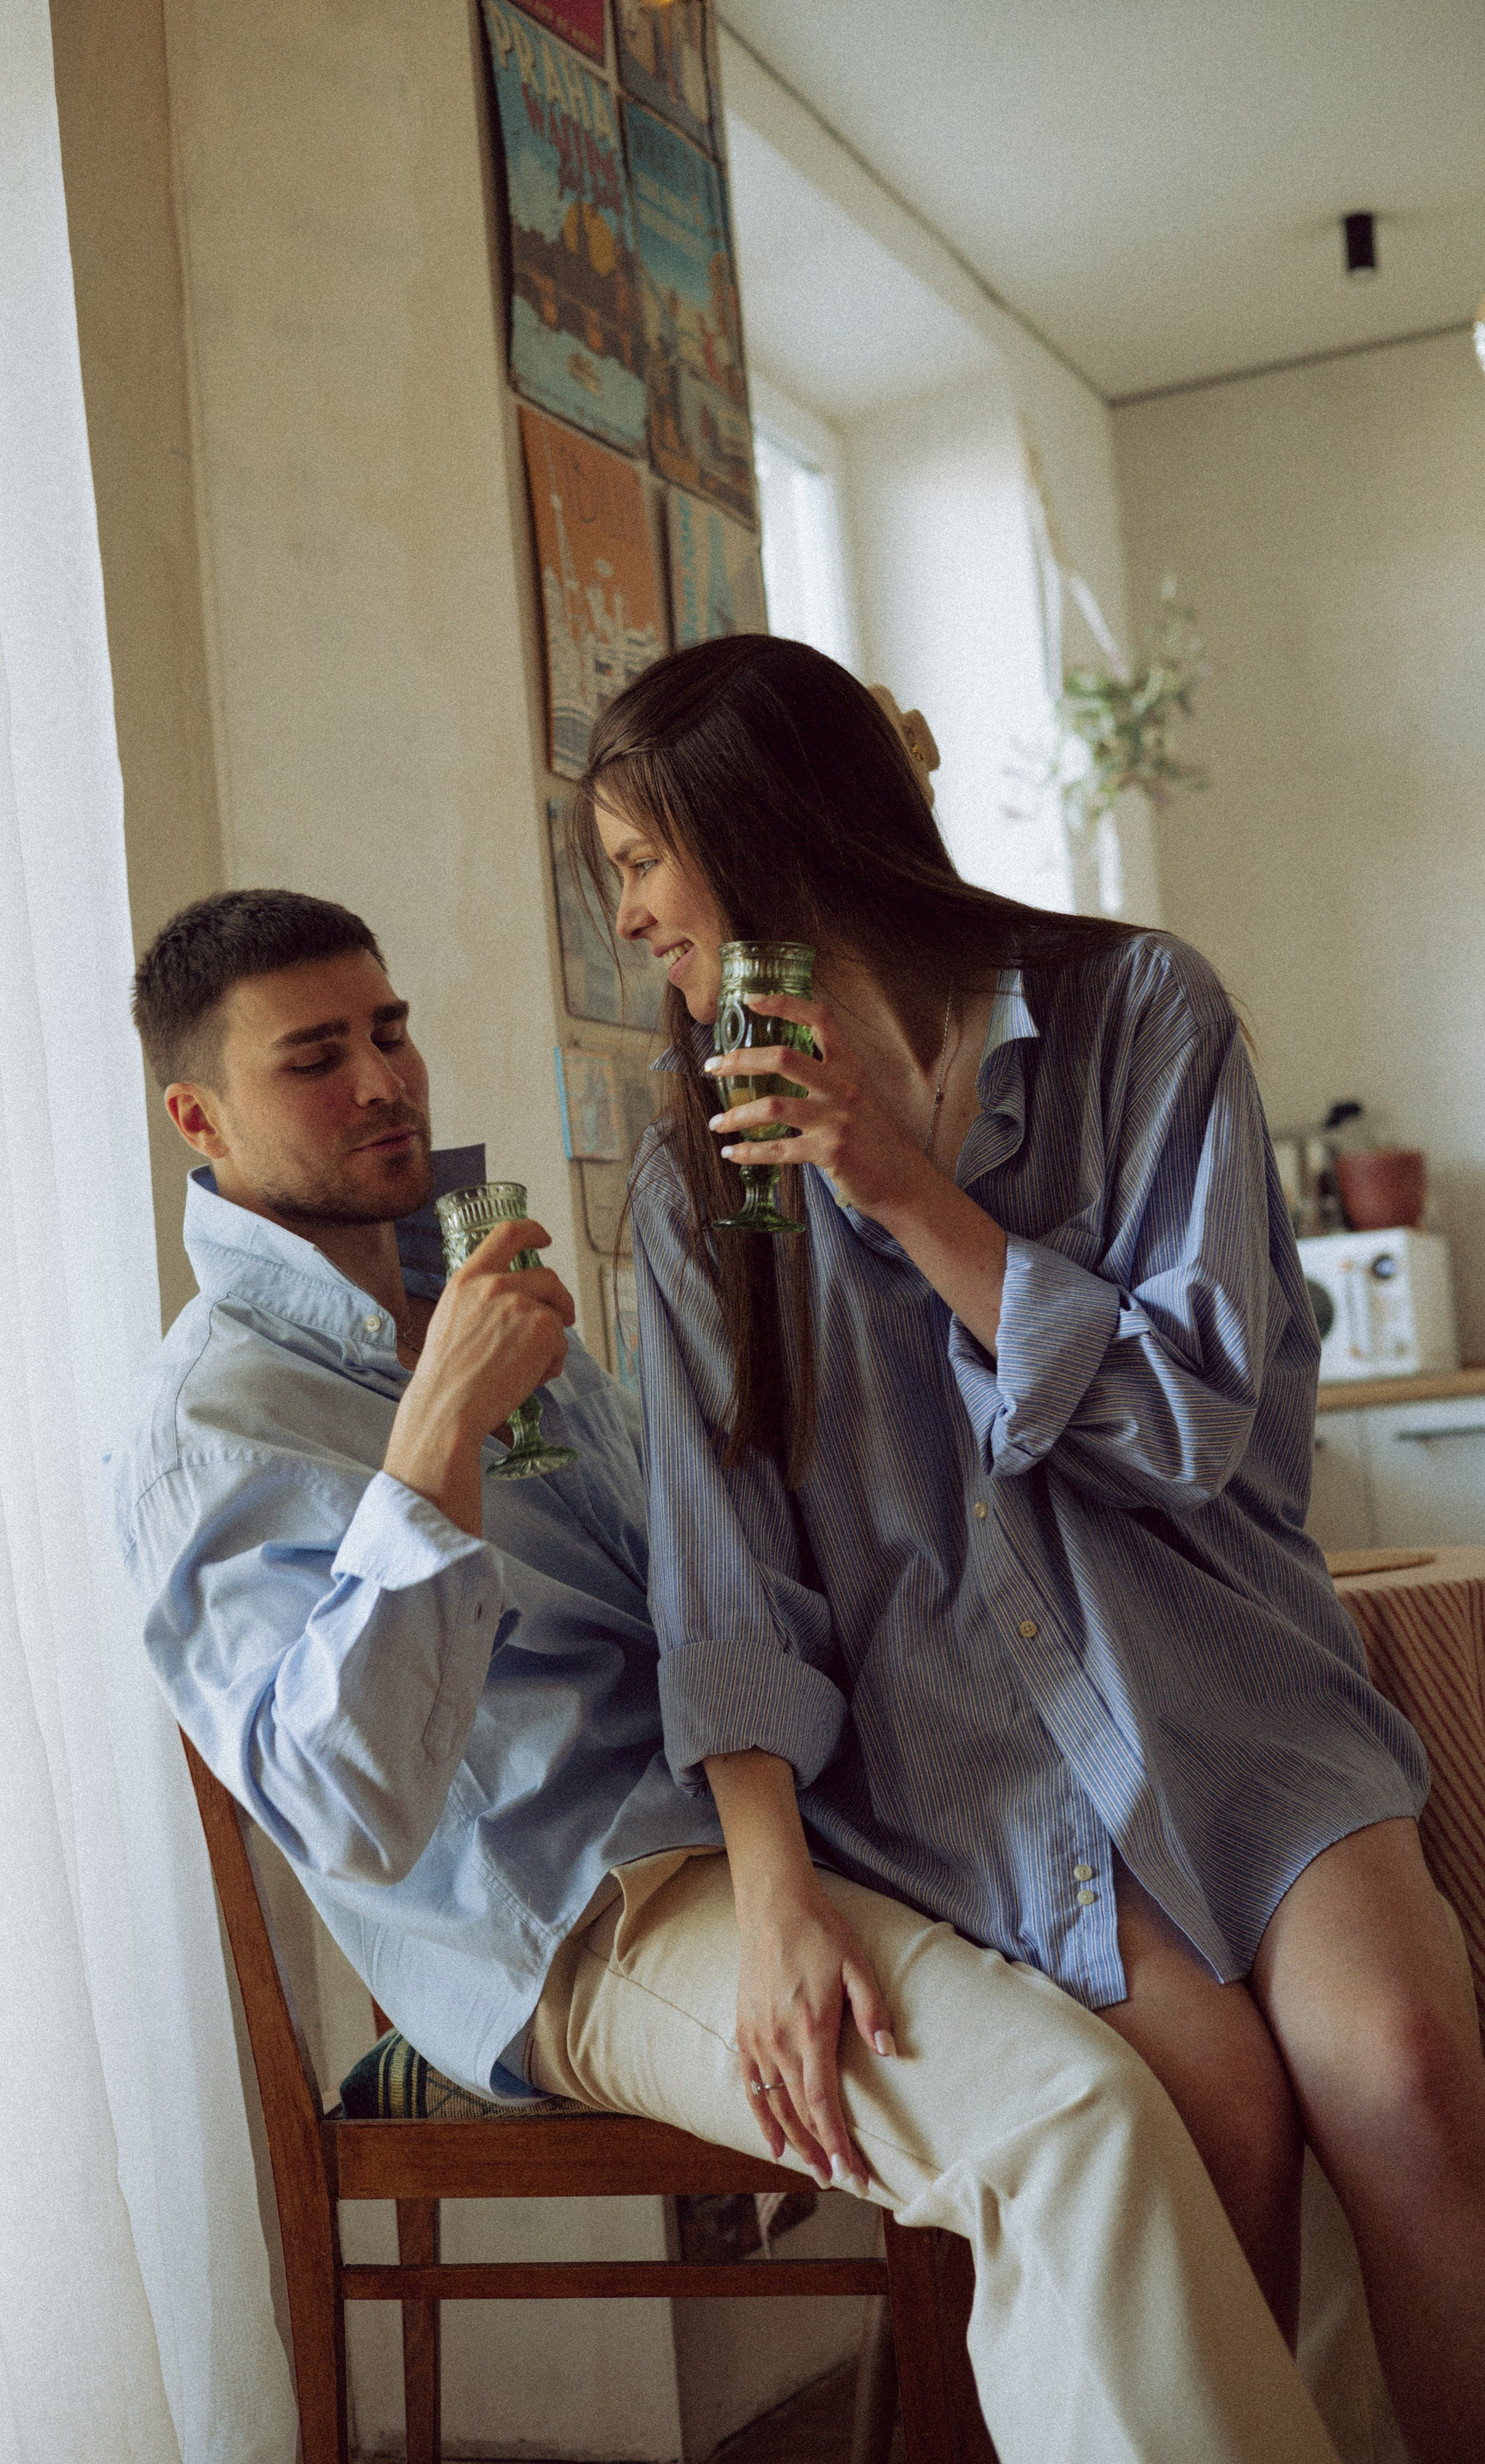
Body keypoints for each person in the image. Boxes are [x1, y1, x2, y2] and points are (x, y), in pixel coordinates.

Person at [109, 886, 1347, 2464]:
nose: (382, 1082)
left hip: (778, 1816)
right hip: (583, 1903)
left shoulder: (474, 1282)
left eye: (390, 1031)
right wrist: (434, 1443)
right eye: (314, 1059)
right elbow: (345, 1811)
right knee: (1072, 2119)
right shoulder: (205, 1424)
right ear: (198, 1118)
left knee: (1241, 2049)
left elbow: (696, 1584)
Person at [577, 634, 1485, 2464]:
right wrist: (774, 1895)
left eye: (639, 861)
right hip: (966, 1763)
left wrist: (905, 1193)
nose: (629, 919)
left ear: (764, 829)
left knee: (1405, 2076)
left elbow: (1198, 1420)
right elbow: (721, 1573)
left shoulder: (1142, 1016)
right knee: (1212, 2124)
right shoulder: (692, 1185)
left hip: (1229, 1691)